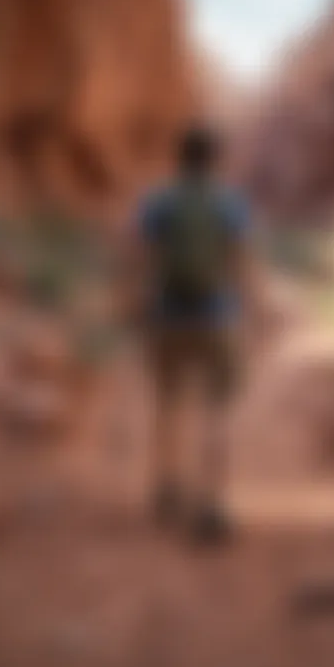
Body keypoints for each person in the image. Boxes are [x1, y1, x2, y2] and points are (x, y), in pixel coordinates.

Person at [120, 124, 256, 544]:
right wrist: (250, 312)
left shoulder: (157, 200)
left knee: (168, 403)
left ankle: (166, 487)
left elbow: (136, 252)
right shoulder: (230, 203)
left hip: (168, 316)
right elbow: (243, 263)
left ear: (179, 158)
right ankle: (213, 503)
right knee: (218, 410)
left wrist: (134, 301)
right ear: (215, 160)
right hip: (217, 318)